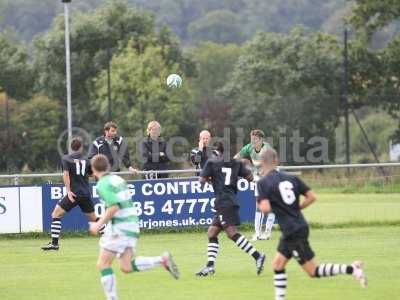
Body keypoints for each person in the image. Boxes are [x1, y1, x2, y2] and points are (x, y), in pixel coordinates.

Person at [256, 148, 367, 300]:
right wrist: (297, 208)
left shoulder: (263, 183)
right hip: (297, 227)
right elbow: (312, 197)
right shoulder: (291, 178)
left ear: (262, 162)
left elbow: (265, 208)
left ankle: (352, 269)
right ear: (276, 161)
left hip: (292, 232)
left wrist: (259, 202)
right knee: (277, 265)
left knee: (313, 271)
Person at [88, 154, 179, 300]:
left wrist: (98, 224)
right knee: (126, 266)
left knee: (103, 264)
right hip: (132, 226)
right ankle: (162, 260)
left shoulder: (103, 183)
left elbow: (114, 207)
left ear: (93, 169)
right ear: (108, 166)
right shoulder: (117, 179)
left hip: (120, 228)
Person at [196, 141, 266, 277]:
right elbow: (250, 178)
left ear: (217, 152)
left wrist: (211, 179)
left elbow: (202, 181)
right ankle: (210, 266)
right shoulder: (237, 163)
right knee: (212, 232)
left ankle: (258, 256)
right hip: (230, 200)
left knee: (231, 233)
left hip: (223, 201)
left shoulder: (212, 162)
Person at [42, 137, 104, 250]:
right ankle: (108, 238)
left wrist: (68, 191)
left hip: (74, 194)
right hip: (85, 193)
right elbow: (92, 174)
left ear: (71, 147)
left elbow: (66, 175)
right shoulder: (87, 160)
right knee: (94, 219)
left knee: (56, 214)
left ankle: (54, 244)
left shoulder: (66, 158)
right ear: (81, 148)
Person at [234, 129, 275, 241]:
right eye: (251, 139)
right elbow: (237, 157)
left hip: (270, 178)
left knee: (269, 206)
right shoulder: (249, 147)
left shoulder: (267, 149)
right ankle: (257, 233)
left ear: (261, 140)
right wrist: (231, 164)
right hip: (259, 179)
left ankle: (267, 232)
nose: (253, 141)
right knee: (258, 205)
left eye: (255, 139)